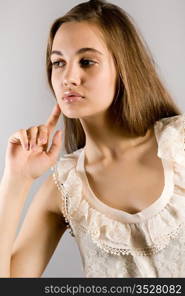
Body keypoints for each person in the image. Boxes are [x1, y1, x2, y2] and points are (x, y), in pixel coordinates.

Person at [0, 0, 184, 278]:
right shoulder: (63, 188)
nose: (68, 77)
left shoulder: (179, 143)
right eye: (58, 63)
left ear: (124, 67)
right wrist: (16, 180)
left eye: (87, 62)